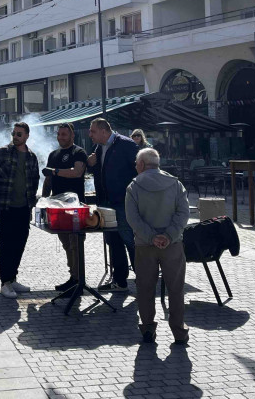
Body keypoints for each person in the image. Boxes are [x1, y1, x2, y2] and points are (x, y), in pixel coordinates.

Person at [126, 148, 190, 345]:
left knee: (145, 289)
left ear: (143, 165)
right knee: (176, 289)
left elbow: (132, 218)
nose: (136, 167)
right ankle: (179, 332)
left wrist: (152, 237)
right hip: (172, 245)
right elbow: (183, 213)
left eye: (137, 163)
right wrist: (168, 236)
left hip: (145, 245)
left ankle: (147, 329)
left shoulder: (133, 186)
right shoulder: (175, 183)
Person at [0, 121, 40, 299]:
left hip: (24, 207)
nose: (15, 137)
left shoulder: (32, 157)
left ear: (27, 136)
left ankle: (12, 278)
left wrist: (34, 201)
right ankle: (4, 282)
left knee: (20, 243)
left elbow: (35, 179)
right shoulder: (1, 152)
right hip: (5, 206)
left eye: (19, 134)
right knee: (5, 244)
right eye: (14, 133)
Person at [86, 118, 139, 292]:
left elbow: (138, 169)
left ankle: (143, 279)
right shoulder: (99, 147)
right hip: (105, 202)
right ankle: (120, 281)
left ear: (103, 130)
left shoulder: (126, 144)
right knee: (113, 241)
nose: (90, 135)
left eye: (93, 131)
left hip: (123, 202)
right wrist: (92, 166)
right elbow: (100, 172)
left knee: (130, 240)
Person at [41, 123, 89, 292]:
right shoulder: (53, 154)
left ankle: (79, 281)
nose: (61, 137)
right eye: (59, 134)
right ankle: (73, 277)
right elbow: (48, 179)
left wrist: (54, 171)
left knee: (76, 243)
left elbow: (76, 172)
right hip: (57, 208)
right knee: (66, 243)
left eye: (64, 134)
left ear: (72, 135)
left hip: (75, 207)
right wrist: (44, 199)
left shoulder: (79, 152)